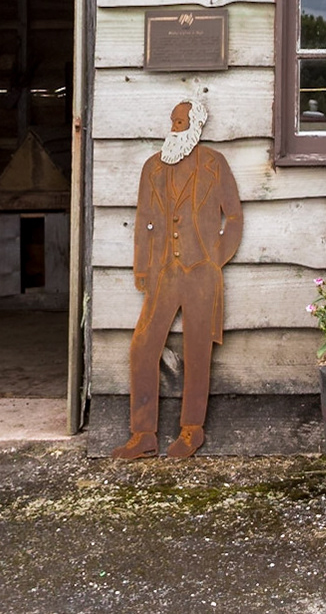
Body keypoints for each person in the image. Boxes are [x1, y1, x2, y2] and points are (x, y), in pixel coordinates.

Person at [112, 97, 242, 460]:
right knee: (142, 347)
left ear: (196, 126)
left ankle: (191, 430)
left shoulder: (214, 165)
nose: (175, 127)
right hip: (163, 273)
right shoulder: (153, 167)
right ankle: (143, 434)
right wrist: (142, 268)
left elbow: (233, 218)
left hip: (202, 274)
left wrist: (215, 258)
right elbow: (142, 221)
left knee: (197, 350)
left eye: (181, 121)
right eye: (173, 121)